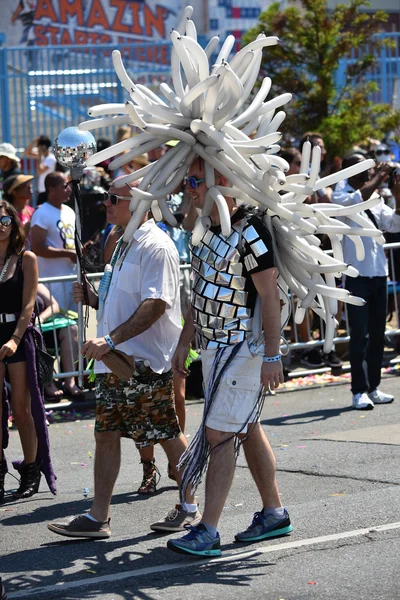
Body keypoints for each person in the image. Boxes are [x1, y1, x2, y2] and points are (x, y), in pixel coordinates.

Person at [47, 178, 200, 539]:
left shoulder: (156, 245)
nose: (107, 204)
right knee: (106, 434)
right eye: (107, 198)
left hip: (141, 362)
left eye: (114, 198)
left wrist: (110, 338)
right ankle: (98, 517)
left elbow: (155, 304)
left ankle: (192, 508)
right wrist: (95, 298)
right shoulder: (123, 242)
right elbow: (126, 300)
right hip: (117, 360)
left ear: (138, 204)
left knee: (166, 434)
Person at [167, 159, 292, 558]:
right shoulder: (205, 229)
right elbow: (200, 292)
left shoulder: (250, 230)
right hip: (214, 347)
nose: (190, 189)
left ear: (220, 181)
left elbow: (269, 296)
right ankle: (274, 513)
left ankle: (208, 530)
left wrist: (272, 354)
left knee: (219, 436)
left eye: (194, 181)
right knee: (246, 427)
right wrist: (185, 340)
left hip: (244, 349)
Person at [332, 154, 400, 410]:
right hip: (356, 275)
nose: (369, 172)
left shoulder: (375, 197)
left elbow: (393, 223)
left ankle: (374, 386)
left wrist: (397, 191)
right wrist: (381, 176)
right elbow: (354, 201)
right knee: (359, 335)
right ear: (349, 171)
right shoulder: (342, 196)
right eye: (364, 167)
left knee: (377, 334)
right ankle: (358, 391)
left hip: (379, 274)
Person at [0, 200, 56, 503]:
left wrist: (14, 339)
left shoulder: (26, 259)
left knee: (21, 409)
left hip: (17, 336)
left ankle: (32, 469)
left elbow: (28, 306)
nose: (0, 226)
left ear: (14, 223)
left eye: (5, 220)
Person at [30, 172, 77, 312]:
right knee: (60, 328)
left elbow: (70, 242)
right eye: (64, 186)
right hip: (52, 284)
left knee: (76, 326)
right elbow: (37, 248)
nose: (69, 189)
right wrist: (69, 254)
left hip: (72, 281)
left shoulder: (70, 211)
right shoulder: (41, 213)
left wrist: (79, 250)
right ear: (51, 189)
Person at [36, 283, 80, 401]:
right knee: (35, 335)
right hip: (24, 330)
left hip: (43, 325)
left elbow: (54, 306)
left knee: (71, 329)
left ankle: (69, 381)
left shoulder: (36, 284)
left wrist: (41, 318)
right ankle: (48, 384)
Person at [25, 135, 57, 205]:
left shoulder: (51, 159)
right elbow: (27, 153)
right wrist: (33, 142)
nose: (37, 148)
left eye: (39, 146)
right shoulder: (42, 156)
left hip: (48, 191)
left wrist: (39, 155)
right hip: (42, 190)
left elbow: (40, 171)